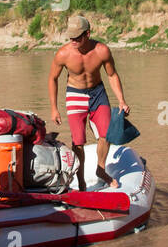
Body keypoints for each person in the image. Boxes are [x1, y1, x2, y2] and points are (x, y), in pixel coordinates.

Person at [48, 15, 130, 192]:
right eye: (71, 37)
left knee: (106, 134)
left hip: (98, 92)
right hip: (75, 94)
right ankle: (81, 181)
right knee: (78, 142)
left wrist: (121, 100)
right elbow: (53, 78)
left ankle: (101, 170)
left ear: (88, 33)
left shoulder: (102, 51)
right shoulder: (63, 54)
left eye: (77, 37)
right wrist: (54, 108)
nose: (74, 41)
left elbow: (112, 75)